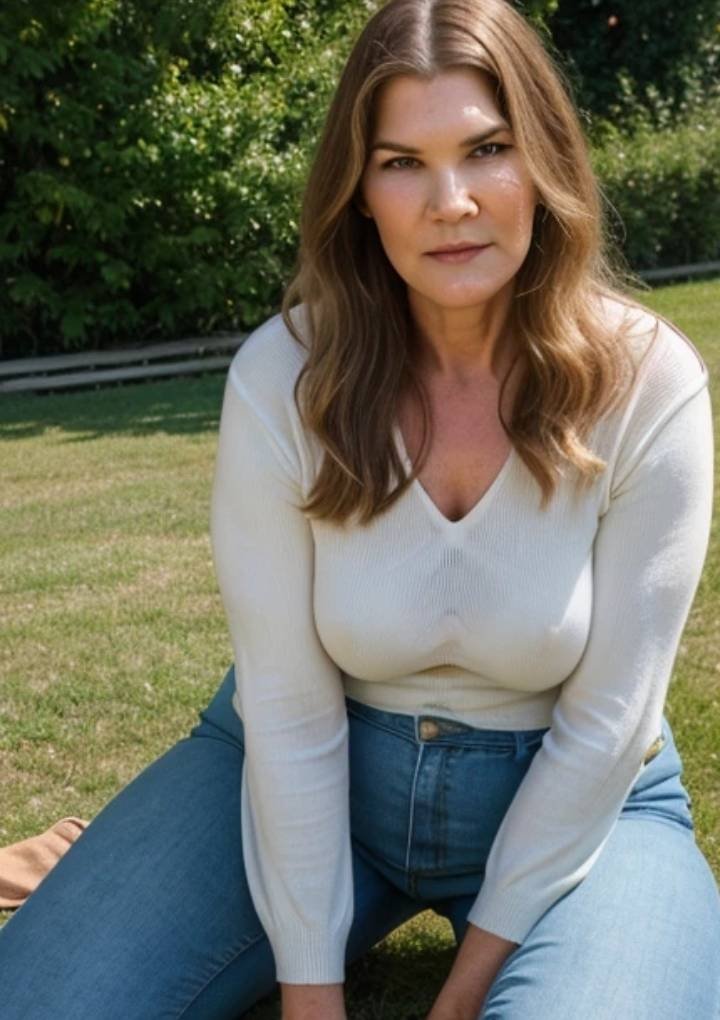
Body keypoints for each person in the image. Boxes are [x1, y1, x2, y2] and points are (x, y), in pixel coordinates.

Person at [1, 0, 719, 1016]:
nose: (451, 202)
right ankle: (125, 859)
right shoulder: (283, 376)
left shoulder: (649, 383)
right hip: (302, 770)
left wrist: (462, 996)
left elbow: (608, 723)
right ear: (360, 193)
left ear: (545, 162)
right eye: (402, 163)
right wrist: (313, 991)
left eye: (488, 149)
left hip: (586, 801)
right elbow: (289, 712)